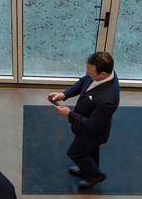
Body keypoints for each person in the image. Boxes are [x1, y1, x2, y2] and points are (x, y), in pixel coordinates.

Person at [48, 51, 119, 190]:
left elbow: (92, 125)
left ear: (103, 74)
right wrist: (64, 95)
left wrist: (69, 114)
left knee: (75, 153)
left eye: (90, 72)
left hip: (92, 133)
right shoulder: (101, 75)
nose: (87, 74)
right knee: (91, 151)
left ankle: (94, 175)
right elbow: (83, 82)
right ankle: (87, 169)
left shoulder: (108, 99)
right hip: (89, 130)